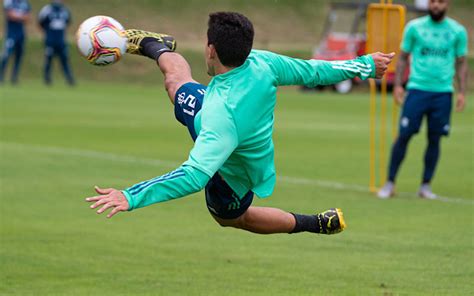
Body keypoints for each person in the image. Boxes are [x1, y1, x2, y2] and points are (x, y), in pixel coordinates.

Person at [86, 12, 393, 235]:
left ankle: (313, 223)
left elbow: (193, 176)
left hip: (233, 168)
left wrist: (130, 196)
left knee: (234, 219)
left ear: (211, 50)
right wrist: (365, 64)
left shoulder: (221, 118)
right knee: (177, 81)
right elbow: (313, 71)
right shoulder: (263, 63)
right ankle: (156, 46)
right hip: (215, 108)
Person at [377, 0, 468, 199]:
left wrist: (462, 91)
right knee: (404, 136)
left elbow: (461, 63)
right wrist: (399, 85)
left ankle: (425, 186)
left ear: (448, 4)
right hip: (417, 90)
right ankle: (390, 183)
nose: (436, 5)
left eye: (440, 2)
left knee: (435, 139)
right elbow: (402, 57)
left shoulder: (458, 31)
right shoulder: (415, 28)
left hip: (443, 92)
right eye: (433, 1)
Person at [38, 0, 74, 85]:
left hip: (61, 42)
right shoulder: (46, 9)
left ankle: (69, 79)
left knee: (64, 60)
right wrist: (48, 33)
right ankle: (47, 79)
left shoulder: (65, 10)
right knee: (48, 60)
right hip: (50, 41)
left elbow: (68, 22)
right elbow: (41, 22)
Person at [0, 0, 31, 84]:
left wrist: (17, 16)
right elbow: (10, 15)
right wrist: (21, 16)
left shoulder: (25, 3)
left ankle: (14, 77)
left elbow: (27, 17)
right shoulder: (9, 1)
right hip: (11, 34)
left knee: (19, 56)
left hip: (21, 34)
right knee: (6, 55)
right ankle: (1, 76)